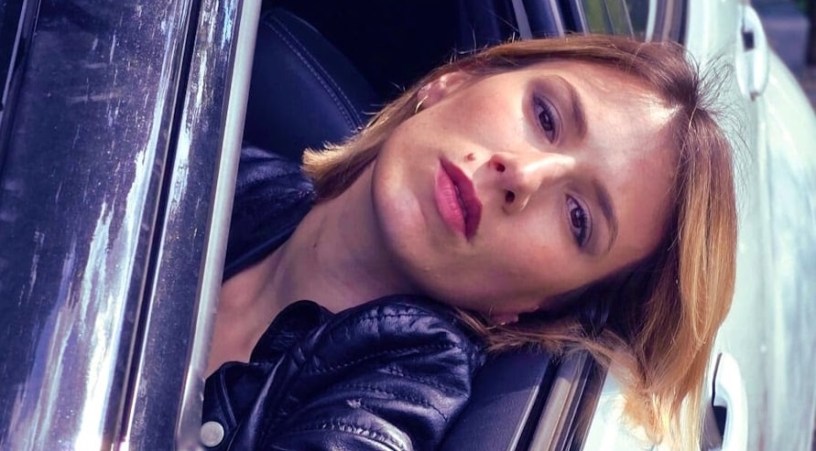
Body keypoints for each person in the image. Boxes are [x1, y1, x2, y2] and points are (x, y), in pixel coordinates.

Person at [201, 34, 737, 450]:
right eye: (545, 117)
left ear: (539, 305)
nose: (523, 175)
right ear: (454, 80)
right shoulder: (225, 173)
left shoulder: (405, 389)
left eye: (578, 218)